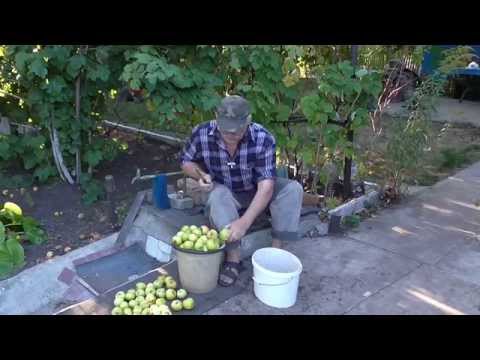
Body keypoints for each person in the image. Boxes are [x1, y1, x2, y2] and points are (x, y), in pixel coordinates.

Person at [180, 95, 303, 287]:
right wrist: (200, 175)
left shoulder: (263, 138)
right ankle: (233, 259)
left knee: (293, 189)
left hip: (255, 190)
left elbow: (266, 187)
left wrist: (244, 223)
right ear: (216, 117)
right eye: (225, 128)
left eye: (236, 129)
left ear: (248, 121)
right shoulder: (201, 132)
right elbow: (186, 162)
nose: (230, 133)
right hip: (224, 191)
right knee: (218, 195)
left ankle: (276, 252)